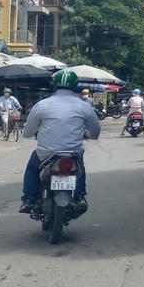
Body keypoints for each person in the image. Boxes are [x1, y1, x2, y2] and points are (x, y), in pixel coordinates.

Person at [19, 69, 101, 213]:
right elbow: (95, 130)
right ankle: (81, 196)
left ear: (54, 86)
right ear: (76, 86)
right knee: (79, 167)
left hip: (46, 154)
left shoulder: (42, 105)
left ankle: (28, 199)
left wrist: (32, 132)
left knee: (32, 168)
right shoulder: (84, 106)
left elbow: (28, 132)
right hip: (73, 153)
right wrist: (89, 135)